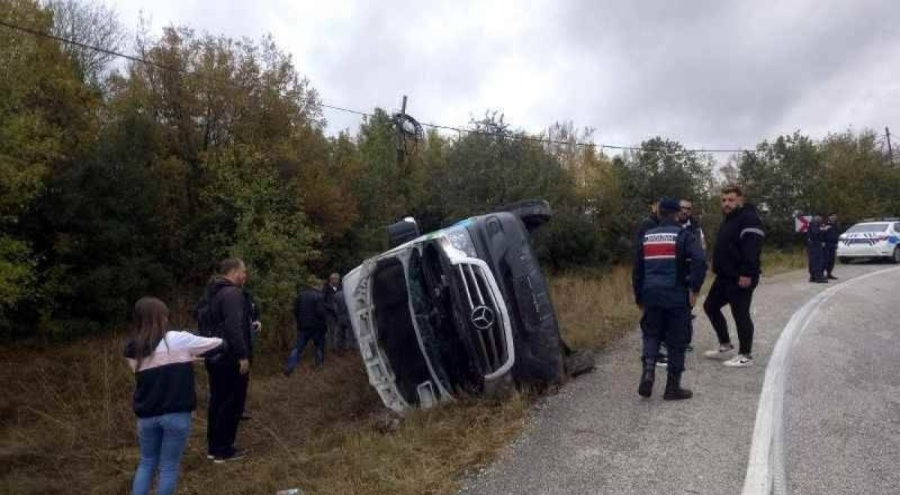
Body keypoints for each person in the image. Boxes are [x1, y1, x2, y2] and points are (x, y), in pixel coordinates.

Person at [125, 297, 223, 495]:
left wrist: (187, 356)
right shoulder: (178, 339)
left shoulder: (132, 349)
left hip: (146, 416)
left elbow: (155, 365)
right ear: (161, 317)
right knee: (168, 467)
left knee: (146, 462)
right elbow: (218, 344)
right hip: (176, 414)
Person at [633, 198, 707, 400]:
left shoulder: (647, 236)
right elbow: (700, 260)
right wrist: (694, 288)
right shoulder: (684, 235)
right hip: (676, 295)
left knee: (651, 335)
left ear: (659, 213)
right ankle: (672, 388)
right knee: (676, 340)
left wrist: (639, 296)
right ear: (676, 214)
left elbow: (637, 269)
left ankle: (648, 373)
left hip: (651, 294)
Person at [703, 185, 765, 367]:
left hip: (741, 276)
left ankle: (745, 355)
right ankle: (725, 343)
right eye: (723, 200)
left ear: (740, 200)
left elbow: (752, 247)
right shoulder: (729, 219)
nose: (726, 204)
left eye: (731, 200)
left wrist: (747, 272)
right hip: (725, 276)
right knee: (710, 306)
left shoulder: (749, 218)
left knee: (740, 313)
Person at [198, 258, 253, 462]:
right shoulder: (232, 294)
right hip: (230, 357)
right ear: (234, 271)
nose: (245, 276)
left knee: (217, 402)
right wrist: (242, 355)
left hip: (214, 355)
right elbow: (233, 327)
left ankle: (214, 448)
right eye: (243, 272)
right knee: (232, 403)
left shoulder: (210, 293)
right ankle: (224, 450)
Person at [284, 277, 328, 375]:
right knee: (319, 346)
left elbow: (295, 310)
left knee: (298, 347)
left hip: (303, 326)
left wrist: (299, 321)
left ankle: (290, 366)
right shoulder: (319, 296)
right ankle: (319, 365)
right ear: (318, 286)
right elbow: (321, 313)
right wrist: (325, 327)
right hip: (317, 327)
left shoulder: (301, 295)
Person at [322, 273, 342, 351]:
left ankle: (337, 347)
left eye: (338, 279)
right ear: (331, 280)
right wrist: (331, 307)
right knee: (330, 331)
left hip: (339, 313)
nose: (337, 281)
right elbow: (323, 301)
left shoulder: (340, 287)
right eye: (336, 279)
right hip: (329, 314)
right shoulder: (326, 288)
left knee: (338, 331)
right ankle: (330, 349)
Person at [806, 215, 828, 283]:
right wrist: (823, 230)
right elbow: (816, 233)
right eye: (819, 217)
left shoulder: (813, 224)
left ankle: (813, 276)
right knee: (817, 261)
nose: (820, 219)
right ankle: (818, 277)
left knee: (813, 261)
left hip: (813, 246)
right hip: (815, 246)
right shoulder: (814, 224)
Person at [822, 212, 840, 280]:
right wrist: (823, 241)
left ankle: (829, 273)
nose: (834, 217)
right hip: (826, 244)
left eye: (835, 216)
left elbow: (837, 234)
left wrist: (837, 243)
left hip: (833, 244)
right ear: (829, 217)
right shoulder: (825, 224)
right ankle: (821, 274)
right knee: (826, 260)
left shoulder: (836, 225)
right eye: (832, 216)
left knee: (832, 260)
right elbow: (821, 233)